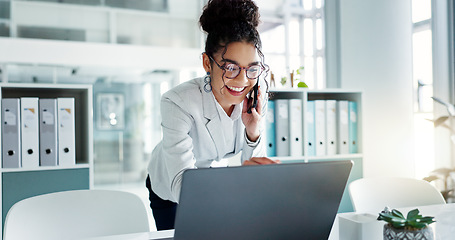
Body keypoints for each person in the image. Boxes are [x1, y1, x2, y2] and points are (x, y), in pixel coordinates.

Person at [145, 0, 279, 231]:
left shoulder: (257, 94)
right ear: (208, 63)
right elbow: (182, 185)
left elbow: (254, 166)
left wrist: (252, 129)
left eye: (252, 68)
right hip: (171, 184)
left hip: (215, 178)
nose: (242, 80)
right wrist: (237, 184)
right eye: (230, 67)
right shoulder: (178, 101)